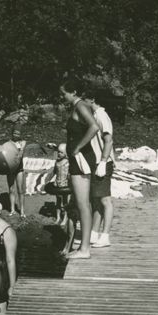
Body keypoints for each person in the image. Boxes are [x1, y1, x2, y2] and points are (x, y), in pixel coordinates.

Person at [59, 78, 102, 259]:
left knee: (83, 204)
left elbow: (94, 127)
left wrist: (77, 147)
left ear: (73, 91)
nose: (62, 97)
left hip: (81, 159)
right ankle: (84, 246)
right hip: (80, 159)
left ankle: (84, 249)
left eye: (64, 93)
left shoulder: (81, 106)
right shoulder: (79, 106)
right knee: (84, 203)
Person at [86, 95, 115, 248]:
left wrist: (103, 161)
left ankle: (105, 236)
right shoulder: (95, 115)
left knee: (105, 200)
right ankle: (94, 232)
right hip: (95, 162)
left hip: (103, 162)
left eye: (84, 99)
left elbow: (108, 140)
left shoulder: (102, 116)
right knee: (96, 199)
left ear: (92, 99)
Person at [0, 134, 27, 216]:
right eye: (14, 133)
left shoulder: (22, 142)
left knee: (20, 190)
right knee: (11, 189)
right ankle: (12, 209)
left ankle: (22, 211)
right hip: (10, 169)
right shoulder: (9, 143)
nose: (16, 135)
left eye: (18, 133)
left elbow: (21, 152)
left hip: (19, 169)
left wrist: (21, 150)